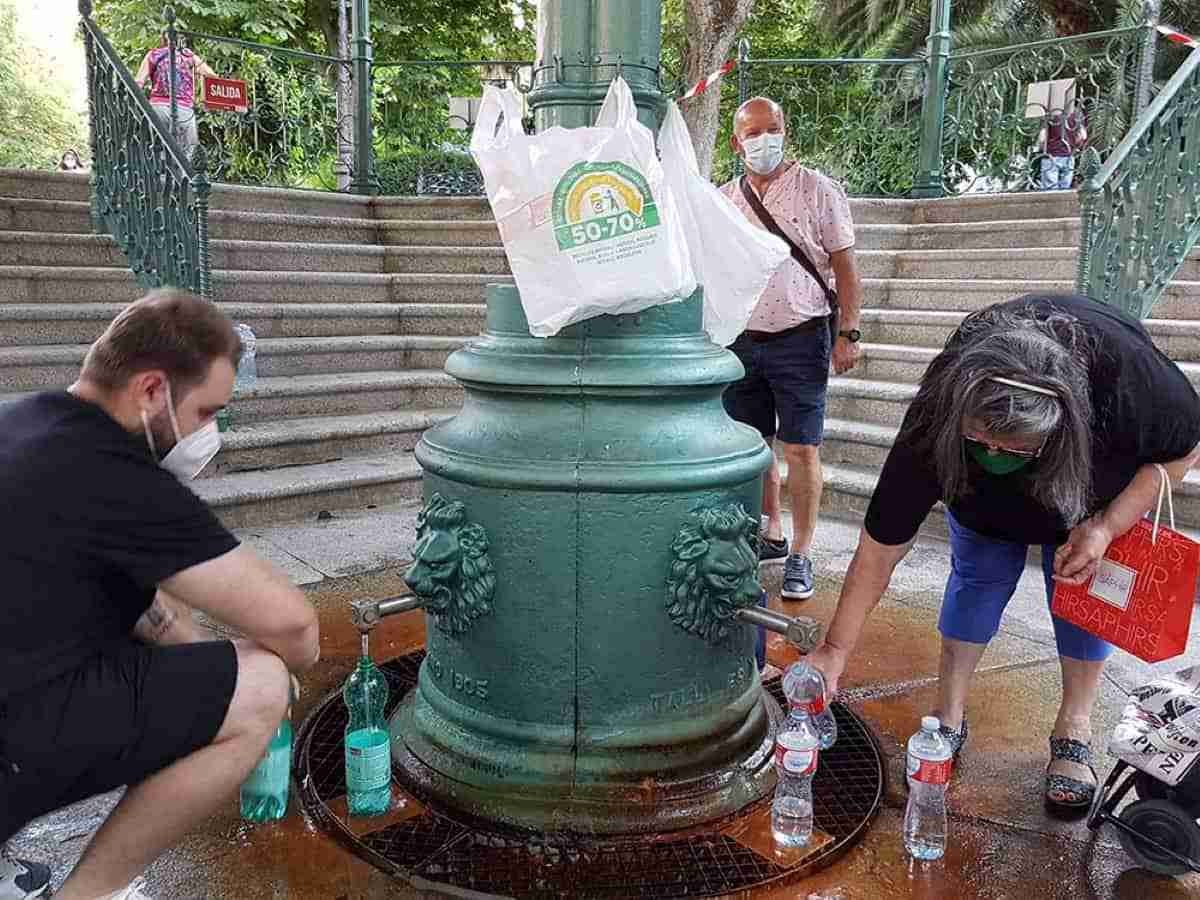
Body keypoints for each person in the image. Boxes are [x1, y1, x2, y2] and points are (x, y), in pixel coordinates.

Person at [806, 292, 1200, 816]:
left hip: (1089, 501)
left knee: (1081, 593)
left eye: (1014, 449)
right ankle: (947, 715)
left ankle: (1073, 729)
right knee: (977, 581)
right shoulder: (936, 417)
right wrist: (834, 651)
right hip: (982, 510)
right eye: (982, 443)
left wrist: (1106, 527)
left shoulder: (1128, 384)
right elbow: (880, 549)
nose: (996, 456)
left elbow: (1183, 452)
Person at [0, 289, 320, 900]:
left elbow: (153, 612)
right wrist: (266, 672)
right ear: (151, 392)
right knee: (260, 687)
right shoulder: (116, 476)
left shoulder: (26, 422)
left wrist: (199, 682)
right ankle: (90, 894)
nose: (208, 431)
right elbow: (296, 629)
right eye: (205, 412)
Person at [720, 96, 864, 600]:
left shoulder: (818, 189)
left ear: (785, 130)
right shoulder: (726, 199)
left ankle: (801, 552)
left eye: (772, 128)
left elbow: (844, 266)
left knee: (801, 448)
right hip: (742, 339)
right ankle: (771, 531)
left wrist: (848, 332)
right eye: (753, 132)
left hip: (802, 336)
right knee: (752, 447)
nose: (764, 139)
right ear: (737, 142)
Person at [134, 34, 217, 163]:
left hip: (158, 107)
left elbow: (139, 82)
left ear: (163, 40)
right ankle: (185, 180)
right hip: (184, 108)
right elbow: (210, 74)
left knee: (160, 146)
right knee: (189, 152)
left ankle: (162, 177)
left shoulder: (154, 55)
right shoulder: (189, 56)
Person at [1038, 99, 1087, 191]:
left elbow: (1042, 136)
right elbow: (1083, 136)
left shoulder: (1050, 113)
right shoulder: (1076, 113)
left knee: (1050, 191)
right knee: (1065, 190)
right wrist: (1075, 146)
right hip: (1069, 156)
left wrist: (1041, 148)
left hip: (1051, 155)